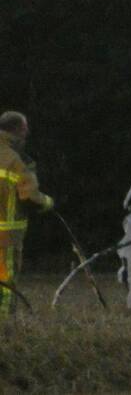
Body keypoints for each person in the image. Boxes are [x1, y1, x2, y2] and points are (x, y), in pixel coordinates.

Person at [0, 111, 54, 316]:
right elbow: (29, 196)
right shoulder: (17, 159)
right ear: (17, 130)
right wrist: (48, 202)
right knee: (6, 281)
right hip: (6, 235)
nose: (27, 132)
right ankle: (5, 327)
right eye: (25, 128)